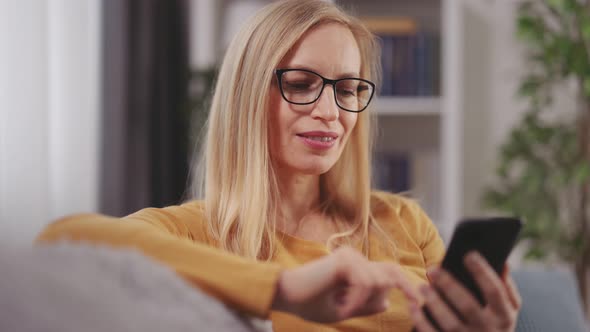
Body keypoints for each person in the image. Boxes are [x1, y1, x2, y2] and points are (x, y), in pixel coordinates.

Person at [36, 0, 521, 331]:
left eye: (348, 89)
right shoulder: (197, 233)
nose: (331, 112)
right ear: (249, 96)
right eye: (303, 83)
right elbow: (64, 238)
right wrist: (282, 290)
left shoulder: (402, 222)